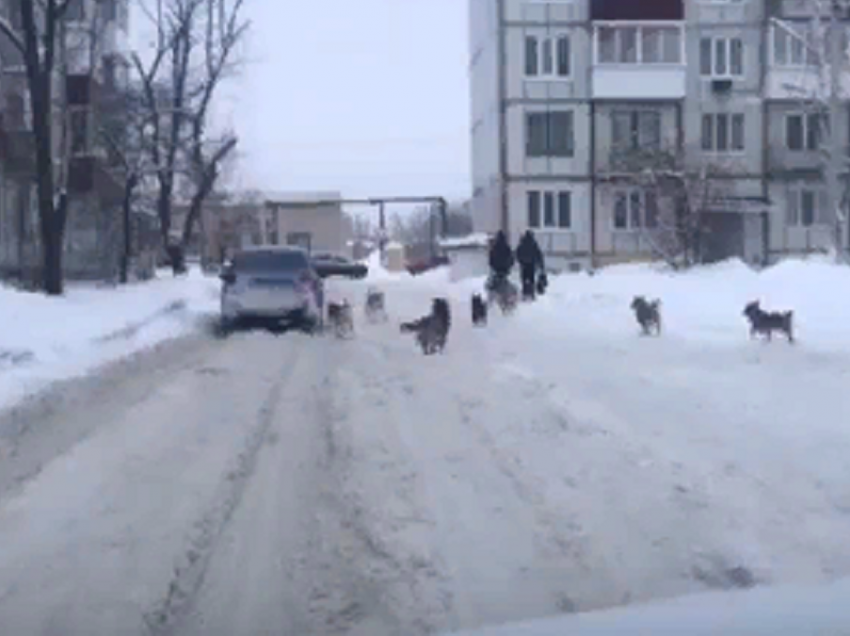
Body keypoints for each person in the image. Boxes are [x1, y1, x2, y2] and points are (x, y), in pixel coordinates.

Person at [516, 230, 544, 300]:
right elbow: (538, 254)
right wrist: (540, 264)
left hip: (524, 265)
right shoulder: (533, 244)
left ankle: (524, 292)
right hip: (532, 265)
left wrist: (520, 261)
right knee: (531, 279)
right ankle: (531, 293)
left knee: (524, 278)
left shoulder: (522, 243)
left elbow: (518, 253)